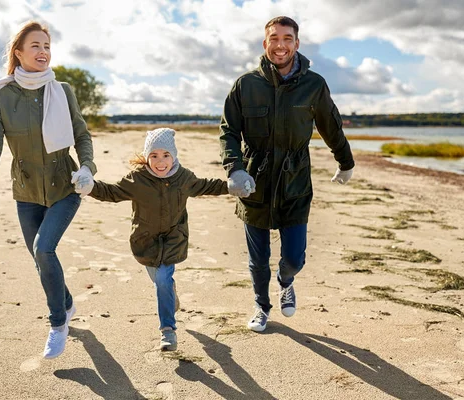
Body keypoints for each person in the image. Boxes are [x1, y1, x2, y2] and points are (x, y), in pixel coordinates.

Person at [0, 21, 97, 358]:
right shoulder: (1, 96)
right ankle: (66, 303)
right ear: (19, 53)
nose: (43, 52)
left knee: (44, 248)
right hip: (24, 192)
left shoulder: (62, 90)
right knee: (40, 259)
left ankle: (57, 324)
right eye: (36, 46)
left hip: (65, 187)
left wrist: (86, 168)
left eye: (47, 46)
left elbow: (82, 135)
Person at [219, 16, 355, 332]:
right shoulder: (245, 84)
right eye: (274, 38)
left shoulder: (314, 85)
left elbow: (330, 126)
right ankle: (261, 305)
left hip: (295, 181)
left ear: (297, 43)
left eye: (287, 38)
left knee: (294, 257)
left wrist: (345, 162)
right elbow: (228, 131)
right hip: (254, 183)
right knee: (257, 259)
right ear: (265, 43)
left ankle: (286, 279)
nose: (280, 45)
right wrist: (235, 169)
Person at [89, 128, 228, 351]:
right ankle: (171, 297)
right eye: (154, 156)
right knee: (160, 281)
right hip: (146, 242)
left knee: (163, 279)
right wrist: (90, 187)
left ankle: (168, 331)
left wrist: (230, 186)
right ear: (147, 157)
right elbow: (111, 192)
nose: (160, 162)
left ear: (173, 156)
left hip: (173, 239)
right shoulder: (137, 180)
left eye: (165, 155)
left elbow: (207, 185)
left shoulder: (183, 178)